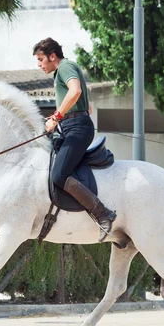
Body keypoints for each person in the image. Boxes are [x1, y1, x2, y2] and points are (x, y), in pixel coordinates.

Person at [33, 37, 116, 242]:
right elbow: (86, 105)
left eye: (41, 59)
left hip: (76, 129)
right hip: (72, 126)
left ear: (52, 56)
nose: (39, 64)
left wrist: (56, 117)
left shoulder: (65, 66)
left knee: (59, 176)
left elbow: (76, 91)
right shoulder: (64, 70)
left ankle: (103, 213)